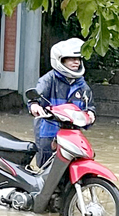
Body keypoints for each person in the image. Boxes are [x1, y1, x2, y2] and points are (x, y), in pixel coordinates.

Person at [28, 37, 95, 168]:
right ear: (60, 60)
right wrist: (34, 105)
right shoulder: (48, 80)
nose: (76, 62)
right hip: (48, 132)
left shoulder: (83, 86)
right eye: (71, 58)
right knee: (45, 169)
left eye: (78, 59)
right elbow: (35, 97)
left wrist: (91, 114)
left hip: (72, 135)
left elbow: (89, 107)